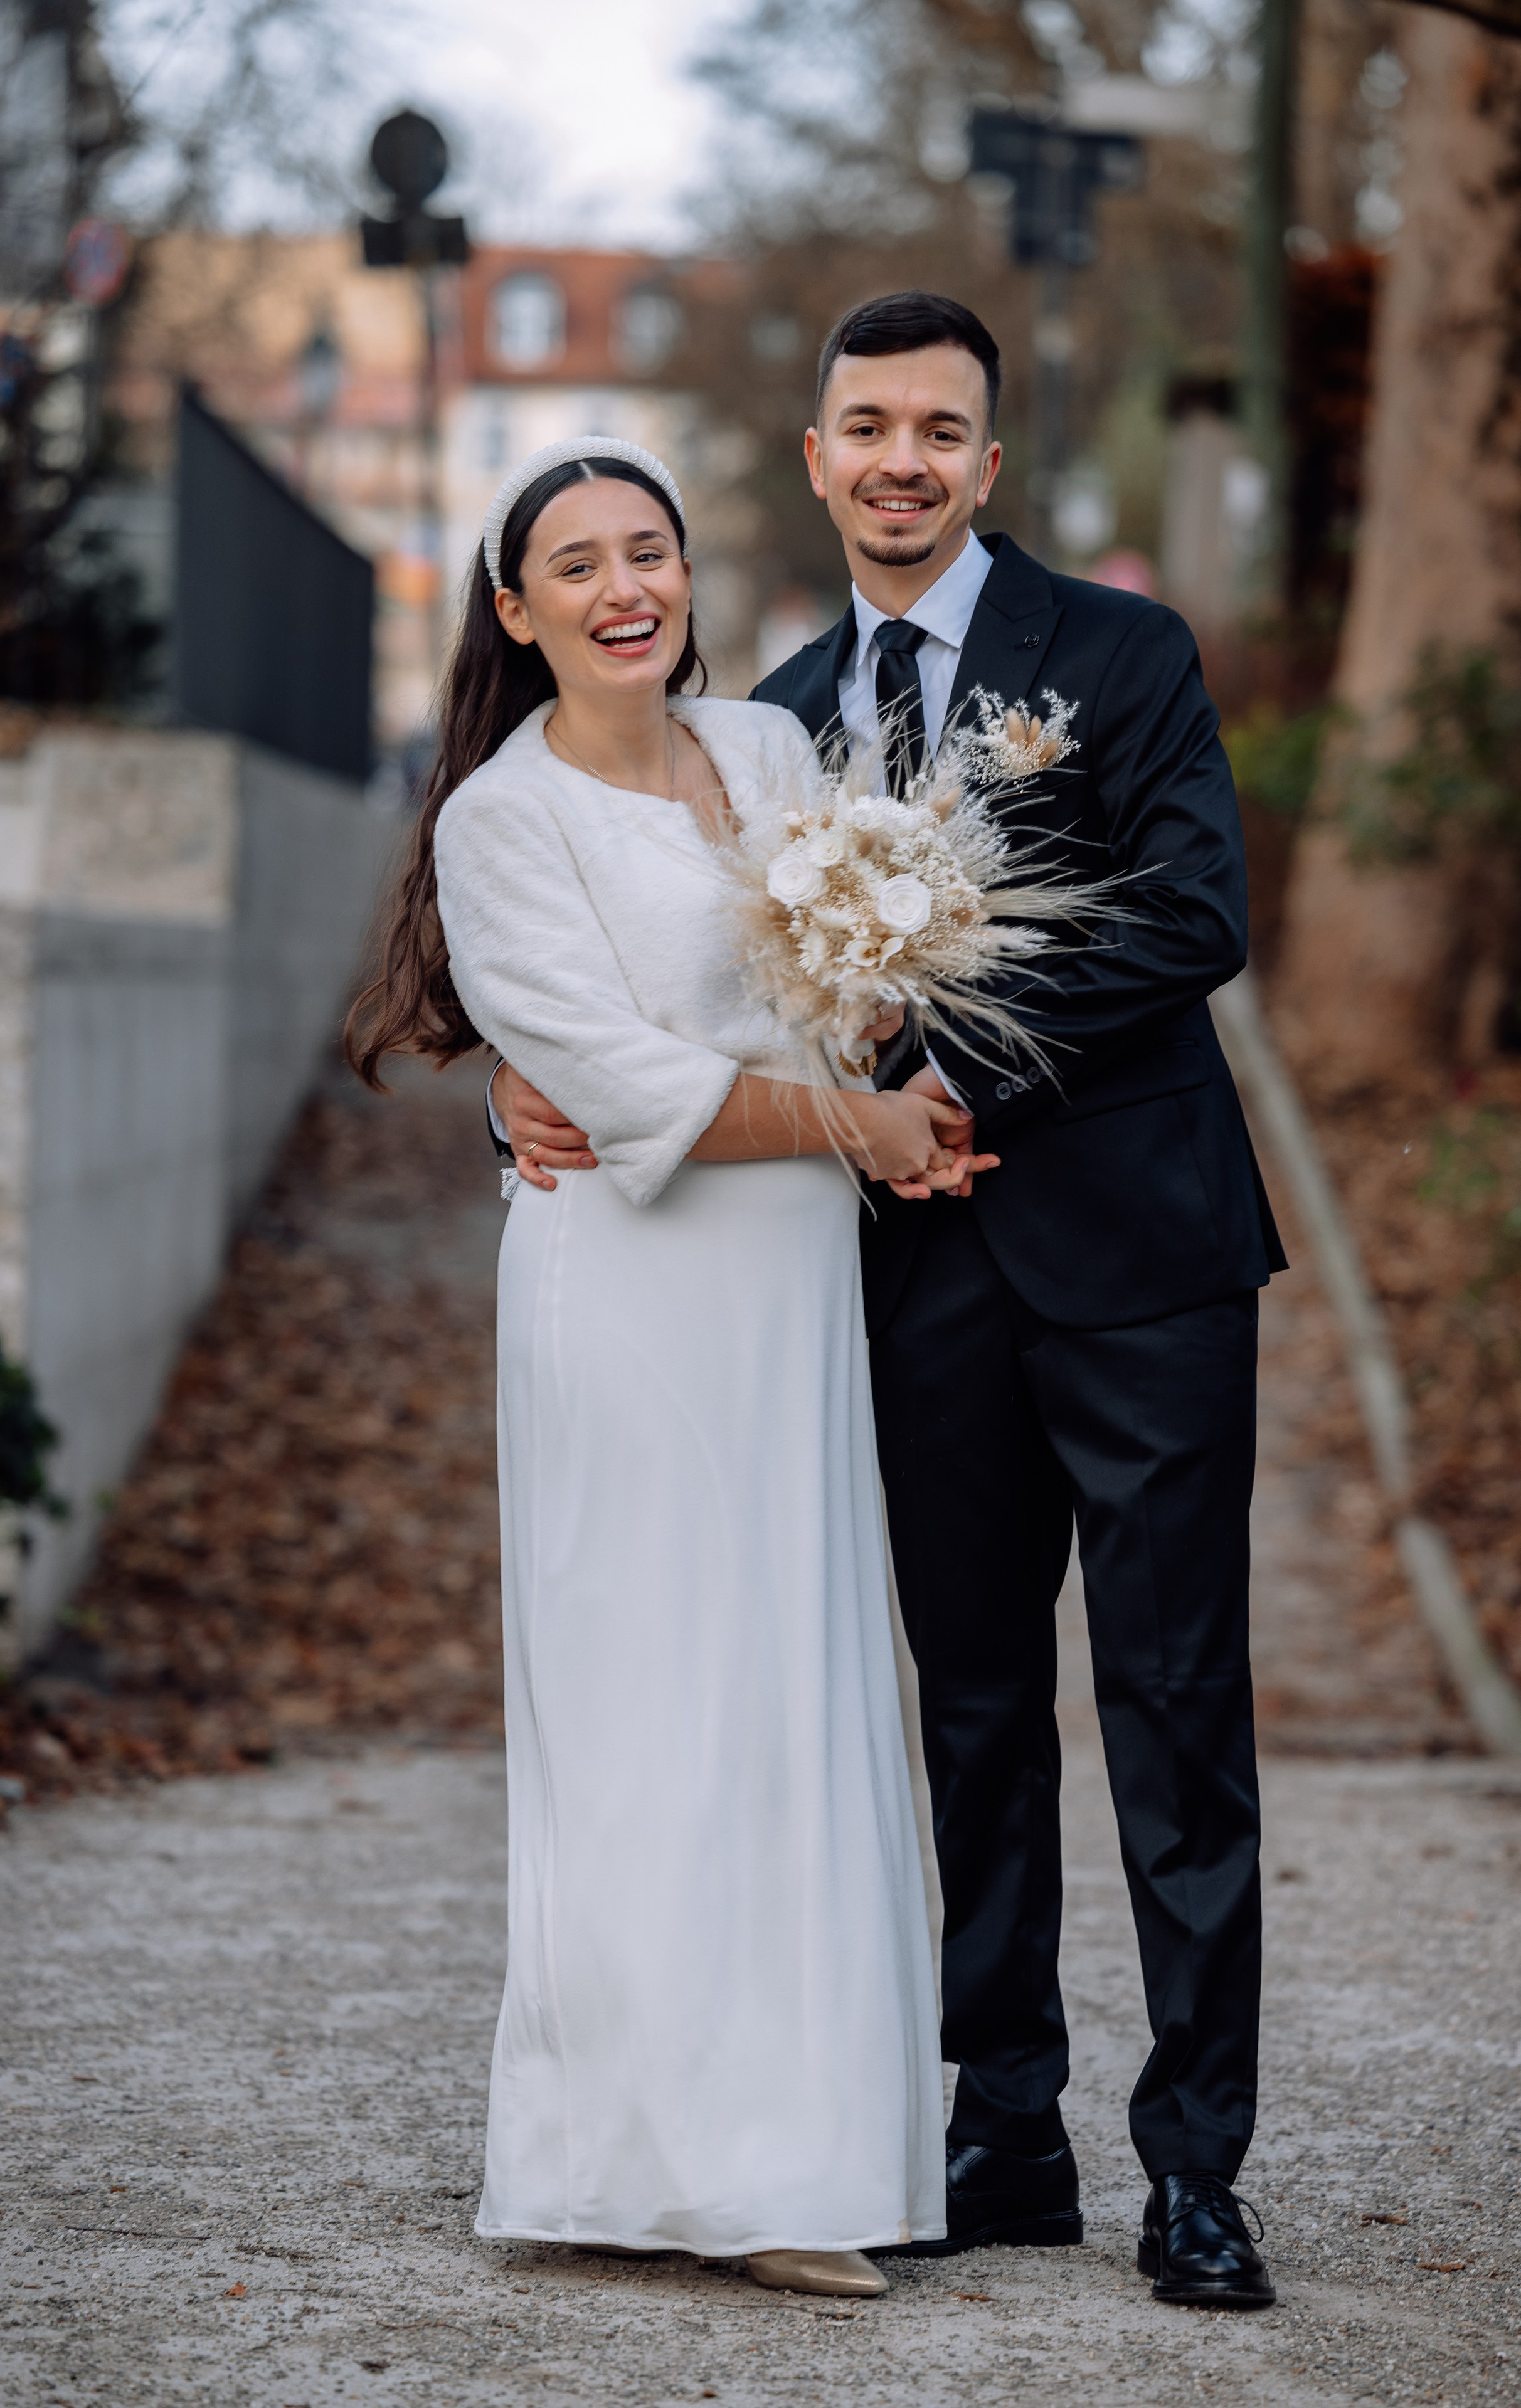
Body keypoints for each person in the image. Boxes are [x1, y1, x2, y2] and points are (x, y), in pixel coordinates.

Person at [492, 297, 1287, 2311]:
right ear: (825, 456)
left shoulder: (1121, 655)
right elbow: (666, 971)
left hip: (1144, 1265)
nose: (905, 460)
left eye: (944, 428)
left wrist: (946, 1043)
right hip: (909, 1285)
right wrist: (526, 1097)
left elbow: (1199, 912)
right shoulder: (764, 719)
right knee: (972, 1711)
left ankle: (1196, 2167)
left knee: (1179, 1709)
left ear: (989, 465)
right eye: (869, 428)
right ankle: (1002, 2128)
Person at [348, 435, 958, 2298]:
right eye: (579, 563)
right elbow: (624, 1092)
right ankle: (671, 2167)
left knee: (798, 1688)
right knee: (654, 1708)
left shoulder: (772, 754)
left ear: (688, 575)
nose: (628, 588)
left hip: (791, 1300)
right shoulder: (496, 824)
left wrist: (880, 1018)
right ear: (515, 613)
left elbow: (848, 983)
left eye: (653, 552)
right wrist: (862, 1127)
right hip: (626, 1301)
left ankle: (821, 2148)